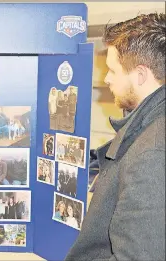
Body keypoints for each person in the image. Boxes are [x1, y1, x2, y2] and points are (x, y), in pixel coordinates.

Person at [65, 13, 165, 261]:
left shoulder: (151, 153)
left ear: (140, 75)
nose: (106, 78)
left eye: (112, 70)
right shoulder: (148, 127)